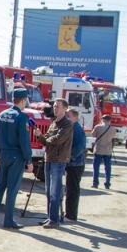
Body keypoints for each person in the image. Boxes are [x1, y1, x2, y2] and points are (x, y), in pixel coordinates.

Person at [0, 88, 33, 229]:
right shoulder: (21, 117)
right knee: (12, 189)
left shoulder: (1, 115)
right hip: (16, 156)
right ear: (23, 100)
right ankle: (8, 221)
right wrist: (29, 160)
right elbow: (24, 141)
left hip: (3, 155)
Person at [33, 98, 73, 229]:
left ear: (64, 109)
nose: (55, 109)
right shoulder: (54, 123)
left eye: (58, 107)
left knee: (54, 191)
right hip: (49, 159)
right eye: (54, 106)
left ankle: (54, 219)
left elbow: (57, 139)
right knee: (48, 191)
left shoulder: (66, 124)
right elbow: (46, 140)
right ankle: (51, 217)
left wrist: (44, 139)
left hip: (58, 160)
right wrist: (40, 136)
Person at [64, 108, 86, 222]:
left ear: (75, 117)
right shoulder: (72, 128)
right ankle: (69, 213)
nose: (67, 118)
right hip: (72, 163)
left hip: (76, 164)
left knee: (73, 190)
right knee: (70, 189)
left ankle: (71, 216)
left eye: (69, 116)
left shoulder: (77, 129)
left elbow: (79, 147)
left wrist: (68, 157)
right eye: (66, 116)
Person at [91, 114, 117, 189]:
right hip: (108, 151)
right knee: (108, 168)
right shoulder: (113, 129)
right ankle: (107, 184)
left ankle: (95, 183)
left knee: (96, 168)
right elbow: (113, 139)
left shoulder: (98, 127)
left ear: (102, 119)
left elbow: (93, 135)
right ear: (110, 120)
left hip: (98, 150)